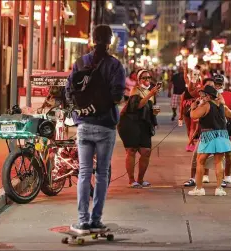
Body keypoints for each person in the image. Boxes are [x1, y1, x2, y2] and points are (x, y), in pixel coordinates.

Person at [65, 24, 125, 234]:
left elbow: (69, 91)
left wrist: (79, 113)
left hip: (84, 124)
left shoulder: (80, 62)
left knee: (83, 172)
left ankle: (82, 221)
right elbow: (117, 96)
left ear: (92, 39)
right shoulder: (115, 66)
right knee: (101, 174)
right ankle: (96, 220)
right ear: (109, 41)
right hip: (106, 125)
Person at [188, 85, 231, 196]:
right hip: (222, 135)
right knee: (219, 162)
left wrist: (192, 107)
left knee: (200, 161)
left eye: (203, 95)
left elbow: (193, 115)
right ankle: (219, 189)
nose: (201, 97)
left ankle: (199, 189)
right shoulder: (222, 106)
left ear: (209, 96)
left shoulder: (206, 105)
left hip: (208, 135)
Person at [118, 69, 160, 188]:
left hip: (144, 124)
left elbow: (151, 109)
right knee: (131, 150)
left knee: (146, 151)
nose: (147, 80)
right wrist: (150, 94)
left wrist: (155, 113)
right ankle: (132, 180)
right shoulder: (135, 90)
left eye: (149, 78)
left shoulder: (150, 92)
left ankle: (140, 179)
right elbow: (137, 106)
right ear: (139, 79)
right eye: (144, 78)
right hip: (130, 123)